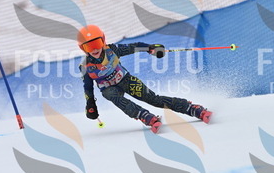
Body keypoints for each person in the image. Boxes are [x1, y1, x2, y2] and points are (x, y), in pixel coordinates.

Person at [77, 25, 211, 133]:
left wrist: (150, 48)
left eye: (97, 43)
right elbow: (88, 87)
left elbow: (133, 47)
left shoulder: (112, 50)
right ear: (83, 49)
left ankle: (192, 108)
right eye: (89, 46)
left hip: (125, 80)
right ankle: (144, 116)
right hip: (109, 88)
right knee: (111, 94)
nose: (94, 49)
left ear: (103, 40)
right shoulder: (85, 66)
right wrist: (90, 104)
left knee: (153, 99)